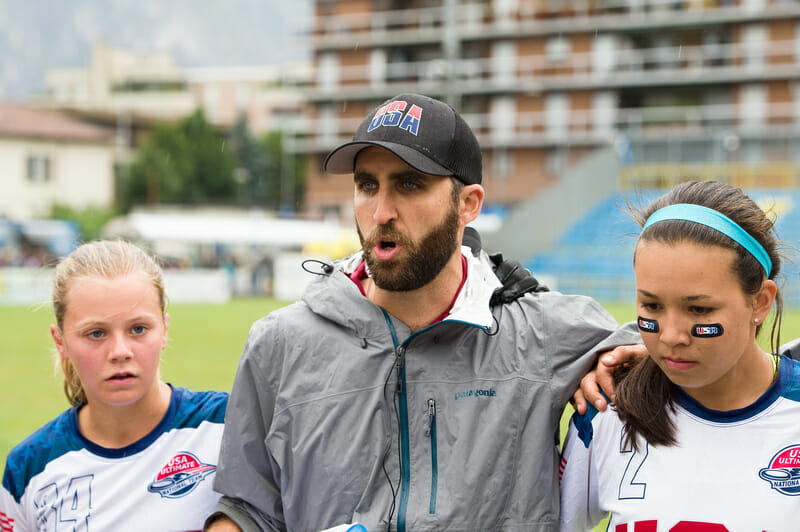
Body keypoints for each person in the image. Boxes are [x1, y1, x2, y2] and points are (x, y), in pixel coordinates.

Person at [205, 92, 641, 532]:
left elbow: (676, 356)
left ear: (468, 204)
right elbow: (249, 508)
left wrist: (620, 362)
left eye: (409, 184)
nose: (381, 212)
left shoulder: (543, 332)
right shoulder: (278, 344)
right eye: (366, 185)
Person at [559, 180, 800, 531]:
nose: (671, 336)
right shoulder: (608, 412)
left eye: (699, 310)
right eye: (651, 306)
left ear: (760, 302)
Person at [0, 240, 228, 530]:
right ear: (61, 342)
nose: (120, 351)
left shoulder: (228, 426)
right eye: (96, 333)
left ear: (165, 329)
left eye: (138, 329)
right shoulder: (29, 468)